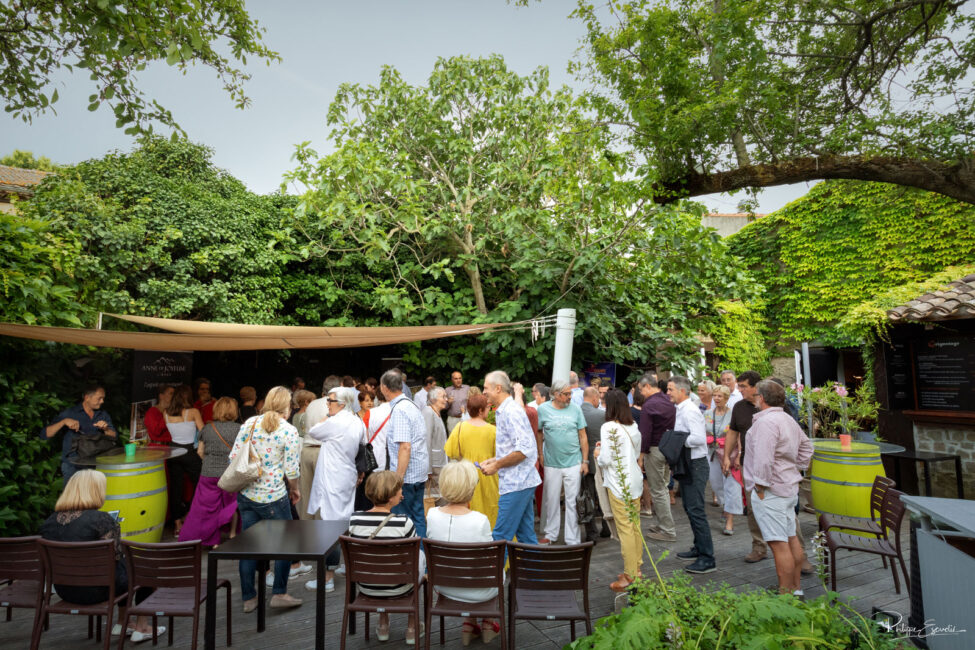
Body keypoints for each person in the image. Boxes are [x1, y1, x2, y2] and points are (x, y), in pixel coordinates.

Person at [39, 470, 164, 643]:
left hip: (65, 591)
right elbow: (116, 558)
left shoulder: (49, 523)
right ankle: (142, 627)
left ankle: (124, 622)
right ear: (94, 491)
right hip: (98, 591)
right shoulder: (102, 520)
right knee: (143, 567)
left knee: (124, 569)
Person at [231, 386, 303, 612]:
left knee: (249, 546)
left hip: (247, 493)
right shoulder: (288, 430)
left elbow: (233, 456)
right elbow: (291, 470)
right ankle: (279, 593)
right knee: (285, 544)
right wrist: (295, 489)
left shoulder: (249, 423)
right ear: (286, 407)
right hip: (274, 496)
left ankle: (249, 598)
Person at [744, 380, 813, 596]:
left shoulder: (766, 422)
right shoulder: (787, 419)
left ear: (761, 398)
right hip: (788, 486)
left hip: (771, 490)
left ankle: (785, 597)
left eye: (756, 395)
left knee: (778, 544)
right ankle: (796, 591)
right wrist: (797, 468)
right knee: (791, 538)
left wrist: (761, 486)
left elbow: (764, 459)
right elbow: (807, 447)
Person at [426, 461, 500, 645]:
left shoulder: (432, 515)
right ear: (471, 488)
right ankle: (487, 625)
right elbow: (488, 561)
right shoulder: (480, 520)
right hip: (479, 590)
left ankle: (470, 624)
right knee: (497, 570)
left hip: (444, 587)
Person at [349, 471, 426, 644]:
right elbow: (411, 562)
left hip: (366, 586)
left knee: (379, 563)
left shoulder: (355, 519)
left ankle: (383, 624)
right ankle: (412, 628)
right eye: (399, 490)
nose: (402, 493)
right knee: (419, 556)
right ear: (391, 497)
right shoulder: (404, 523)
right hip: (399, 587)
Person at [306, 387, 364, 592]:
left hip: (333, 478)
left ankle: (327, 577)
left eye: (330, 401)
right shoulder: (357, 421)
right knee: (345, 522)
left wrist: (327, 416)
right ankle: (349, 566)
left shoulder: (334, 421)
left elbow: (312, 431)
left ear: (341, 404)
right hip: (347, 475)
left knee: (330, 525)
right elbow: (362, 446)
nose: (327, 405)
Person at [479, 370, 540, 545]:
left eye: (485, 388)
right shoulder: (506, 410)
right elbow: (517, 447)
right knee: (526, 536)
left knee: (500, 537)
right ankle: (536, 572)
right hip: (521, 481)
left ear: (498, 388)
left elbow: (524, 450)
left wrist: (497, 464)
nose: (484, 392)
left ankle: (496, 573)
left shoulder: (511, 411)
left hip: (517, 483)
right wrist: (494, 461)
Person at [594, 390, 646, 592]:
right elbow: (632, 452)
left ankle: (630, 574)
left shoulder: (608, 427)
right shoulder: (633, 425)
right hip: (634, 479)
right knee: (635, 526)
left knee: (625, 529)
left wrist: (598, 453)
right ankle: (636, 567)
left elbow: (606, 459)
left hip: (618, 482)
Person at [667, 375, 715, 574]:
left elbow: (698, 438)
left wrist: (676, 441)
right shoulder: (682, 409)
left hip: (695, 464)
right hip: (688, 463)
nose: (667, 393)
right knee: (689, 506)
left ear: (682, 391)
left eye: (670, 389)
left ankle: (707, 558)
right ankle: (699, 547)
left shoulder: (690, 411)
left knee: (696, 509)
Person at [178, 396, 240, 546]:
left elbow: (200, 451)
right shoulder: (239, 428)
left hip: (208, 474)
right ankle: (232, 534)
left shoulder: (207, 428)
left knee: (208, 508)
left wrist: (210, 462)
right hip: (229, 475)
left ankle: (214, 541)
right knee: (233, 504)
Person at [536, 379, 588, 546]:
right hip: (552, 462)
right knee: (551, 500)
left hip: (573, 461)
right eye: (566, 394)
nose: (569, 397)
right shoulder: (543, 409)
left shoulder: (576, 409)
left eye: (570, 393)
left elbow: (583, 435)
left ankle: (572, 539)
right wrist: (540, 454)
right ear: (556, 395)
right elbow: (538, 433)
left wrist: (585, 460)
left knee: (572, 501)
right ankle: (550, 534)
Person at [382, 369, 429, 539]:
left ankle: (409, 560)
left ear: (384, 388)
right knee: (417, 517)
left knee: (403, 521)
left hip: (407, 477)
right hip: (418, 472)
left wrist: (398, 481)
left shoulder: (400, 409)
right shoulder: (410, 405)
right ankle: (422, 559)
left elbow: (405, 447)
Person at [40, 384, 117, 485]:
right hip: (73, 466)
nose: (102, 401)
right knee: (72, 500)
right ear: (87, 398)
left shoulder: (103, 414)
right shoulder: (70, 413)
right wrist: (64, 421)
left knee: (93, 500)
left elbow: (114, 437)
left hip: (96, 466)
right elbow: (45, 434)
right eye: (99, 398)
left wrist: (105, 429)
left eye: (103, 398)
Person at [444, 393, 500, 527]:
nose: (488, 410)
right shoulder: (493, 430)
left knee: (466, 510)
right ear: (480, 410)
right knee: (491, 510)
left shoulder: (460, 427)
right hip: (489, 476)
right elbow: (500, 456)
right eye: (487, 408)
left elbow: (451, 452)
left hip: (466, 476)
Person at [638, 373, 677, 542]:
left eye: (641, 390)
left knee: (658, 490)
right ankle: (663, 524)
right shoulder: (668, 401)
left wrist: (640, 455)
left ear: (648, 386)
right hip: (669, 448)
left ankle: (668, 529)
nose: (641, 393)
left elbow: (645, 433)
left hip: (654, 449)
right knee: (663, 487)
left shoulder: (649, 405)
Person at [164, 384, 204, 536]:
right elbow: (203, 431)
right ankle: (190, 515)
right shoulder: (193, 412)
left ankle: (177, 524)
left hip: (173, 451)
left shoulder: (166, 412)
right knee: (200, 483)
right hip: (188, 451)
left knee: (176, 488)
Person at [706, 385, 742, 535]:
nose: (716, 398)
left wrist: (739, 454)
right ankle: (726, 507)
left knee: (731, 485)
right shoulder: (707, 413)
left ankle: (730, 521)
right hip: (713, 452)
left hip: (730, 453)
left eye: (720, 396)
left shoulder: (734, 414)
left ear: (727, 398)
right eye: (715, 395)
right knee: (716, 483)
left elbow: (738, 435)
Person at [580, 387, 613, 543]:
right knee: (603, 496)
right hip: (600, 460)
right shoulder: (602, 415)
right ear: (594, 398)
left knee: (588, 498)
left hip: (582, 461)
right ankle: (607, 528)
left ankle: (591, 533)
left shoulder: (576, 413)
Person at [422, 386, 449, 503]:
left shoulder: (435, 412)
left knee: (441, 496)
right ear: (433, 399)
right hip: (434, 466)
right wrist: (428, 469)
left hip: (439, 463)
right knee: (438, 497)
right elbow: (426, 440)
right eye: (443, 397)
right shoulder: (428, 412)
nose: (446, 399)